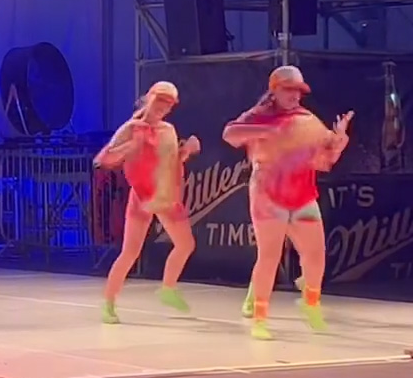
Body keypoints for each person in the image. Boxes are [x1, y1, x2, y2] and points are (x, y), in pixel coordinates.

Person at [222, 65, 351, 339]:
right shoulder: (260, 115)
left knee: (315, 254)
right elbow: (230, 134)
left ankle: (311, 304)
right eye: (288, 90)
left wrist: (339, 142)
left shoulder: (306, 119)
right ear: (275, 90)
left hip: (302, 195)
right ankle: (260, 318)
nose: (294, 95)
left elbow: (326, 158)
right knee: (269, 256)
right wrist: (268, 130)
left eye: (298, 91)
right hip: (268, 195)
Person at [94, 81, 201, 324]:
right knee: (130, 252)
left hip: (165, 196)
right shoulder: (132, 128)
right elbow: (103, 160)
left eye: (169, 103)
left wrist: (187, 151)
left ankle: (168, 288)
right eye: (161, 100)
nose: (164, 107)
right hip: (143, 196)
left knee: (185, 244)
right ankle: (109, 303)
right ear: (149, 98)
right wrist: (131, 146)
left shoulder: (168, 130)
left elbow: (171, 164)